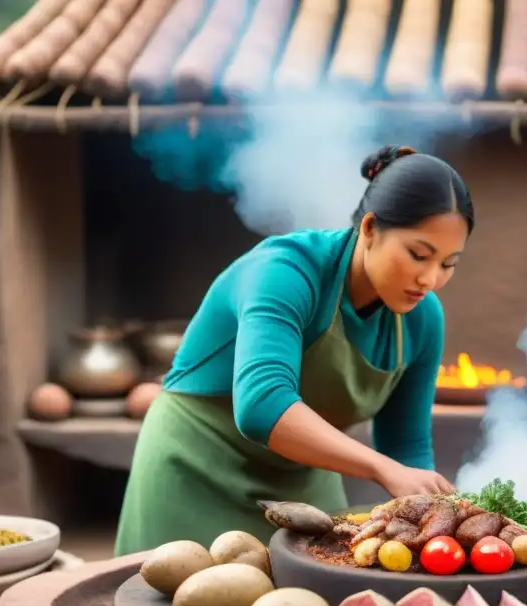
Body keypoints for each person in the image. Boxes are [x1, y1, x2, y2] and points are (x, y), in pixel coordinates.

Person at [114, 145, 472, 556]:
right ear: (371, 228)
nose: (430, 278)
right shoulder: (285, 272)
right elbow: (263, 406)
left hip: (303, 487)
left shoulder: (422, 319)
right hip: (196, 470)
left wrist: (432, 515)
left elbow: (405, 445)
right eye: (418, 255)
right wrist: (382, 469)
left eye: (449, 264)